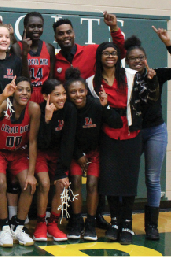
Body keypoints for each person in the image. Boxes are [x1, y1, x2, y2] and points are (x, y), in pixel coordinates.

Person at [86, 42, 159, 245]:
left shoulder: (131, 75)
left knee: (128, 179)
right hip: (108, 133)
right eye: (106, 53)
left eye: (114, 53)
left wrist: (152, 82)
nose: (110, 56)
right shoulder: (91, 82)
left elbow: (147, 100)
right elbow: (95, 111)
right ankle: (115, 221)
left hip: (131, 132)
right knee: (110, 180)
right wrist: (105, 109)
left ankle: (126, 222)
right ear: (100, 57)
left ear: (119, 56)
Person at [124, 28, 171, 240]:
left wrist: (168, 43)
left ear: (146, 58)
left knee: (152, 179)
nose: (137, 61)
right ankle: (125, 223)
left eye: (140, 57)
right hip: (132, 132)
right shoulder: (124, 78)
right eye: (132, 59)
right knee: (129, 177)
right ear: (127, 61)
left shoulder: (156, 75)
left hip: (155, 132)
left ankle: (151, 225)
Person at [64, 68, 122, 241]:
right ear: (67, 94)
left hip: (94, 153)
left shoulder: (96, 105)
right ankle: (75, 221)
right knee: (75, 182)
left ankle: (90, 222)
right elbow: (66, 137)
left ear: (87, 91)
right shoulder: (67, 109)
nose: (77, 95)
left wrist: (106, 107)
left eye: (81, 91)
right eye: (73, 92)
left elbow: (117, 122)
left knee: (92, 184)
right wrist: (78, 154)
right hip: (75, 153)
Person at [0, 77, 39, 247]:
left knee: (29, 185)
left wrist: (30, 174)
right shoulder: (5, 105)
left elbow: (33, 141)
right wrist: (1, 97)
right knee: (0, 182)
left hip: (20, 153)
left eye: (28, 90)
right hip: (0, 152)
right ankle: (5, 227)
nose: (24, 93)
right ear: (14, 91)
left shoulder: (34, 108)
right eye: (20, 89)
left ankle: (19, 227)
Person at [34, 79, 76, 242]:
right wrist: (47, 120)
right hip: (42, 152)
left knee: (60, 184)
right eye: (57, 95)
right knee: (44, 184)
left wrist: (61, 172)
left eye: (64, 94)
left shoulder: (70, 109)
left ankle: (53, 224)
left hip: (60, 153)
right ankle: (40, 224)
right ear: (46, 97)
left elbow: (69, 141)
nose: (62, 98)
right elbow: (42, 142)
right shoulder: (39, 109)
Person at [52, 11, 125, 83]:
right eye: (61, 34)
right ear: (55, 38)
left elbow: (120, 53)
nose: (66, 36)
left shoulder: (92, 51)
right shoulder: (54, 61)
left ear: (73, 34)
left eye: (68, 32)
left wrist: (114, 27)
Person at [14, 12, 56, 103]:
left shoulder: (49, 48)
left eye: (39, 26)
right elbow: (21, 78)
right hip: (25, 94)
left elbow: (51, 78)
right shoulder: (16, 48)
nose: (36, 29)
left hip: (44, 95)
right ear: (25, 27)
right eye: (32, 26)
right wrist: (24, 54)